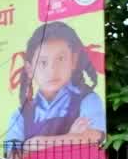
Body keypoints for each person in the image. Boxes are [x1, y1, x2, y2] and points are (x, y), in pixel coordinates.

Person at [6, 21, 106, 149]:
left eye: (60, 59)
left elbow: (92, 137)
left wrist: (33, 143)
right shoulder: (19, 116)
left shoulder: (88, 99)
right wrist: (71, 137)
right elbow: (13, 157)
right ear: (29, 69)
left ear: (73, 60)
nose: (52, 70)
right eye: (43, 62)